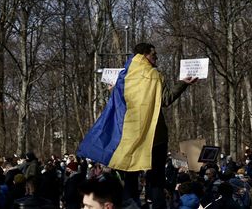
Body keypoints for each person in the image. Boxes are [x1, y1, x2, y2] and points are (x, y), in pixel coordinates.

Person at [78, 43, 198, 208]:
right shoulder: (153, 75)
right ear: (144, 55)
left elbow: (121, 103)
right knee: (156, 179)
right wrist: (184, 83)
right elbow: (165, 99)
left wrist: (113, 91)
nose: (156, 57)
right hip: (155, 136)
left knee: (130, 176)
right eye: (154, 54)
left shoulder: (124, 76)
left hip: (130, 135)